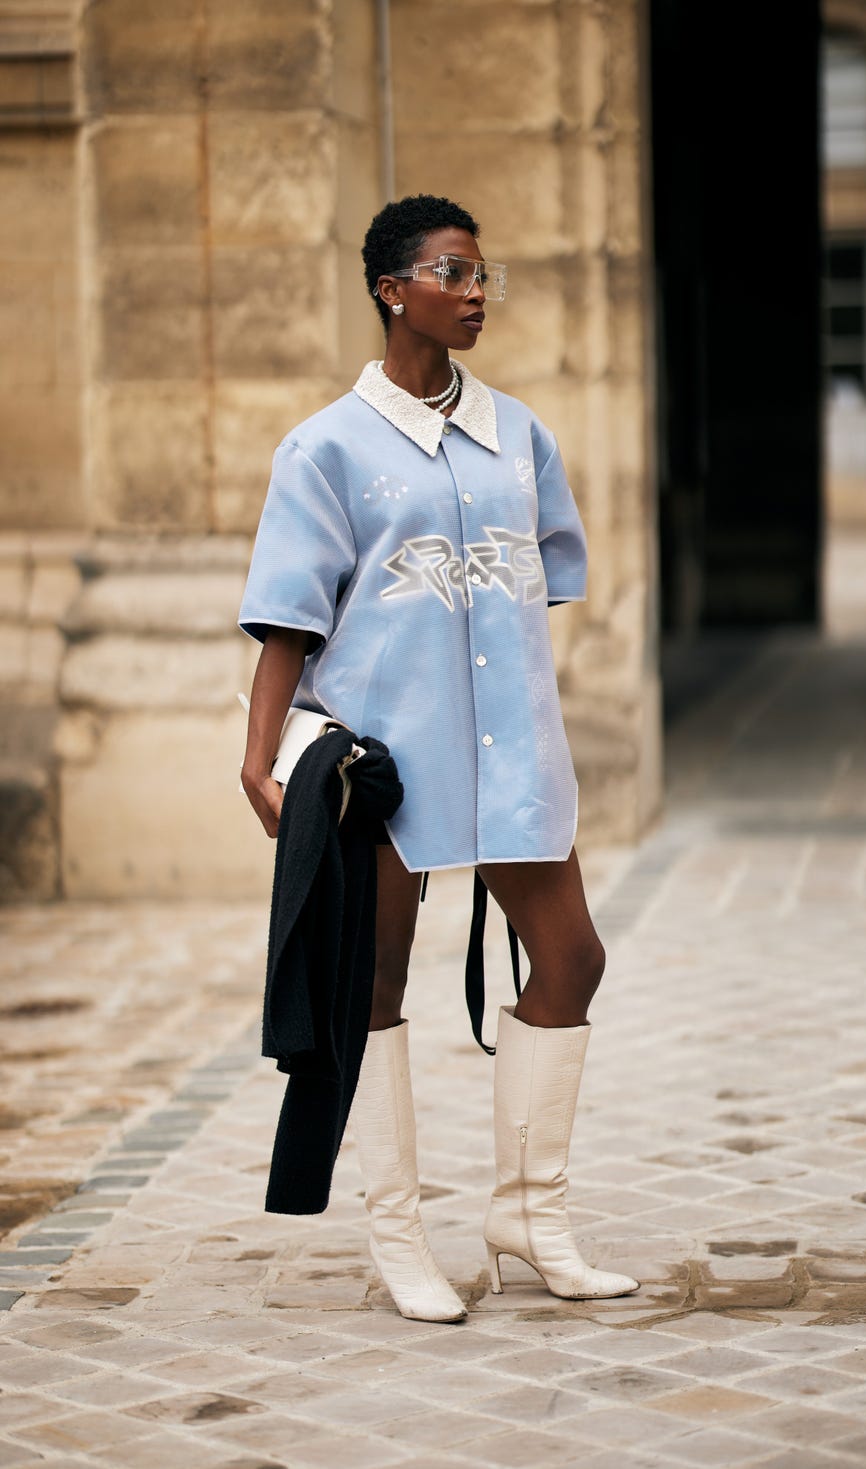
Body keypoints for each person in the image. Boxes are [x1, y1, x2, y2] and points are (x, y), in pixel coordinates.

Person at [239, 194, 638, 1323]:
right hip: (382, 763)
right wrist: (260, 756)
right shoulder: (322, 447)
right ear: (389, 287)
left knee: (571, 960)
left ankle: (527, 1215)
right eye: (451, 273)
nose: (473, 294)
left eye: (481, 275)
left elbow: (540, 578)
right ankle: (398, 1233)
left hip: (512, 750)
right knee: (370, 983)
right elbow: (287, 618)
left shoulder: (519, 433)